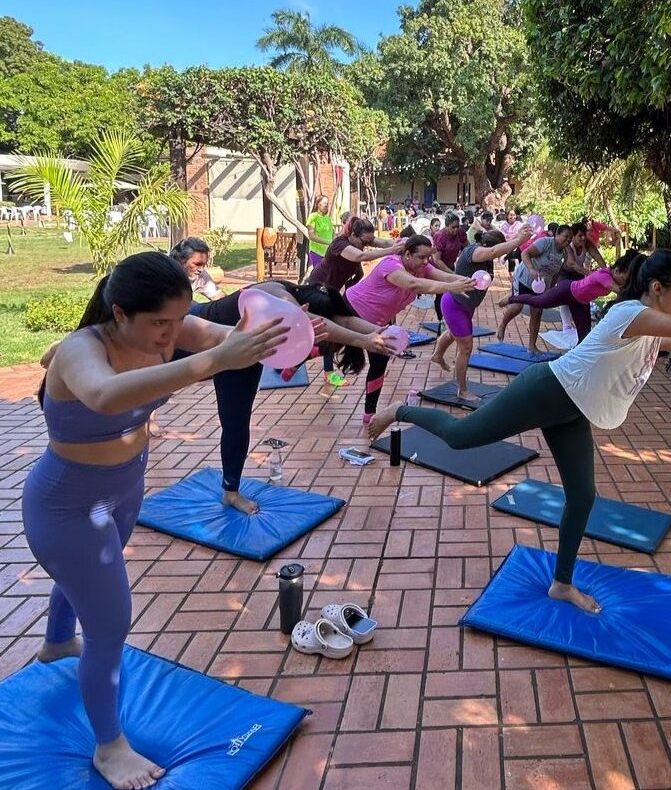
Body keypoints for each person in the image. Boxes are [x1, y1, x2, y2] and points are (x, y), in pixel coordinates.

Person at [369, 250, 671, 613]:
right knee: (460, 437)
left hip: (572, 409)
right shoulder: (630, 314)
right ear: (656, 288)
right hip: (545, 391)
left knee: (583, 496)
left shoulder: (659, 314)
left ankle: (561, 584)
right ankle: (400, 411)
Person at [26, 252, 288, 789]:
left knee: (81, 583)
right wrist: (212, 362)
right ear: (119, 313)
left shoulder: (172, 327)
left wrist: (333, 334)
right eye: (159, 325)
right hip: (66, 506)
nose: (171, 335)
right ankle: (109, 747)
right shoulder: (81, 351)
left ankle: (55, 644)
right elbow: (102, 395)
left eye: (178, 321)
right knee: (110, 622)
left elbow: (234, 336)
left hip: (122, 492)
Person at [179, 275, 395, 514]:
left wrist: (381, 334)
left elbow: (344, 320)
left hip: (242, 354)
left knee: (236, 424)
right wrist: (363, 341)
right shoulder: (276, 291)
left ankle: (231, 492)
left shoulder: (305, 297)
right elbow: (317, 321)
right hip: (196, 332)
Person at [345, 235, 478, 423]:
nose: (426, 262)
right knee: (330, 344)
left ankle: (369, 413)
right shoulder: (391, 265)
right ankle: (298, 358)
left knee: (379, 361)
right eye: (422, 257)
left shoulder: (422, 267)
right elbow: (413, 284)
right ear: (407, 254)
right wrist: (450, 287)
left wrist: (468, 282)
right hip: (351, 309)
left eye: (428, 257)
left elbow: (446, 276)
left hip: (377, 322)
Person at [430, 225, 533, 401]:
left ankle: (437, 355)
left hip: (466, 306)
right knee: (466, 347)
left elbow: (494, 252)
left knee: (454, 334)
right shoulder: (474, 252)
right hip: (454, 303)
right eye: (500, 247)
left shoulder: (486, 258)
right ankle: (462, 390)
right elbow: (493, 251)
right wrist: (517, 241)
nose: (500, 253)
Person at [503, 249, 640, 343]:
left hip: (581, 302)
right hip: (567, 291)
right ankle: (511, 298)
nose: (624, 281)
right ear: (616, 270)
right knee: (537, 302)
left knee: (584, 335)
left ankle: (577, 358)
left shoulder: (613, 277)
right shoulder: (604, 275)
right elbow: (619, 291)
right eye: (624, 277)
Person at [496, 225, 574, 350]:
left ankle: (532, 346)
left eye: (570, 238)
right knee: (517, 306)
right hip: (524, 278)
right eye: (566, 236)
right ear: (557, 235)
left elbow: (557, 272)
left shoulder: (565, 252)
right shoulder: (545, 243)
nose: (568, 240)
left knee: (537, 312)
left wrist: (551, 288)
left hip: (541, 285)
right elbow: (525, 254)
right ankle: (502, 325)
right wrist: (532, 269)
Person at [309, 217, 404, 295]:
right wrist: (391, 251)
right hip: (319, 284)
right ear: (353, 235)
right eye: (364, 242)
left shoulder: (360, 241)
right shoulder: (340, 244)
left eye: (369, 242)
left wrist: (404, 245)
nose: (366, 245)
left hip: (334, 288)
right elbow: (361, 256)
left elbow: (385, 242)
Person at [430, 212, 470, 333]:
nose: (456, 229)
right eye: (453, 227)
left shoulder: (460, 233)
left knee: (453, 293)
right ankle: (440, 320)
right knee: (441, 293)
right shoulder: (440, 236)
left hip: (451, 264)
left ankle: (451, 318)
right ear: (446, 226)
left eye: (457, 226)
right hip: (437, 267)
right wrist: (451, 274)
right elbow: (437, 259)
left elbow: (467, 247)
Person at [169, 237, 224, 302]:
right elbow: (180, 305)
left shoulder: (200, 275)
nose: (201, 270)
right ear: (181, 260)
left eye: (204, 265)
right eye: (197, 264)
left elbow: (220, 298)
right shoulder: (164, 272)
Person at [306, 195, 335, 268]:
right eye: (324, 203)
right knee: (319, 275)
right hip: (317, 253)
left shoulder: (328, 219)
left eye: (328, 204)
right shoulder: (313, 217)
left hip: (328, 253)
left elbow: (332, 234)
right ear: (318, 204)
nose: (326, 205)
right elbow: (311, 236)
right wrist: (327, 242)